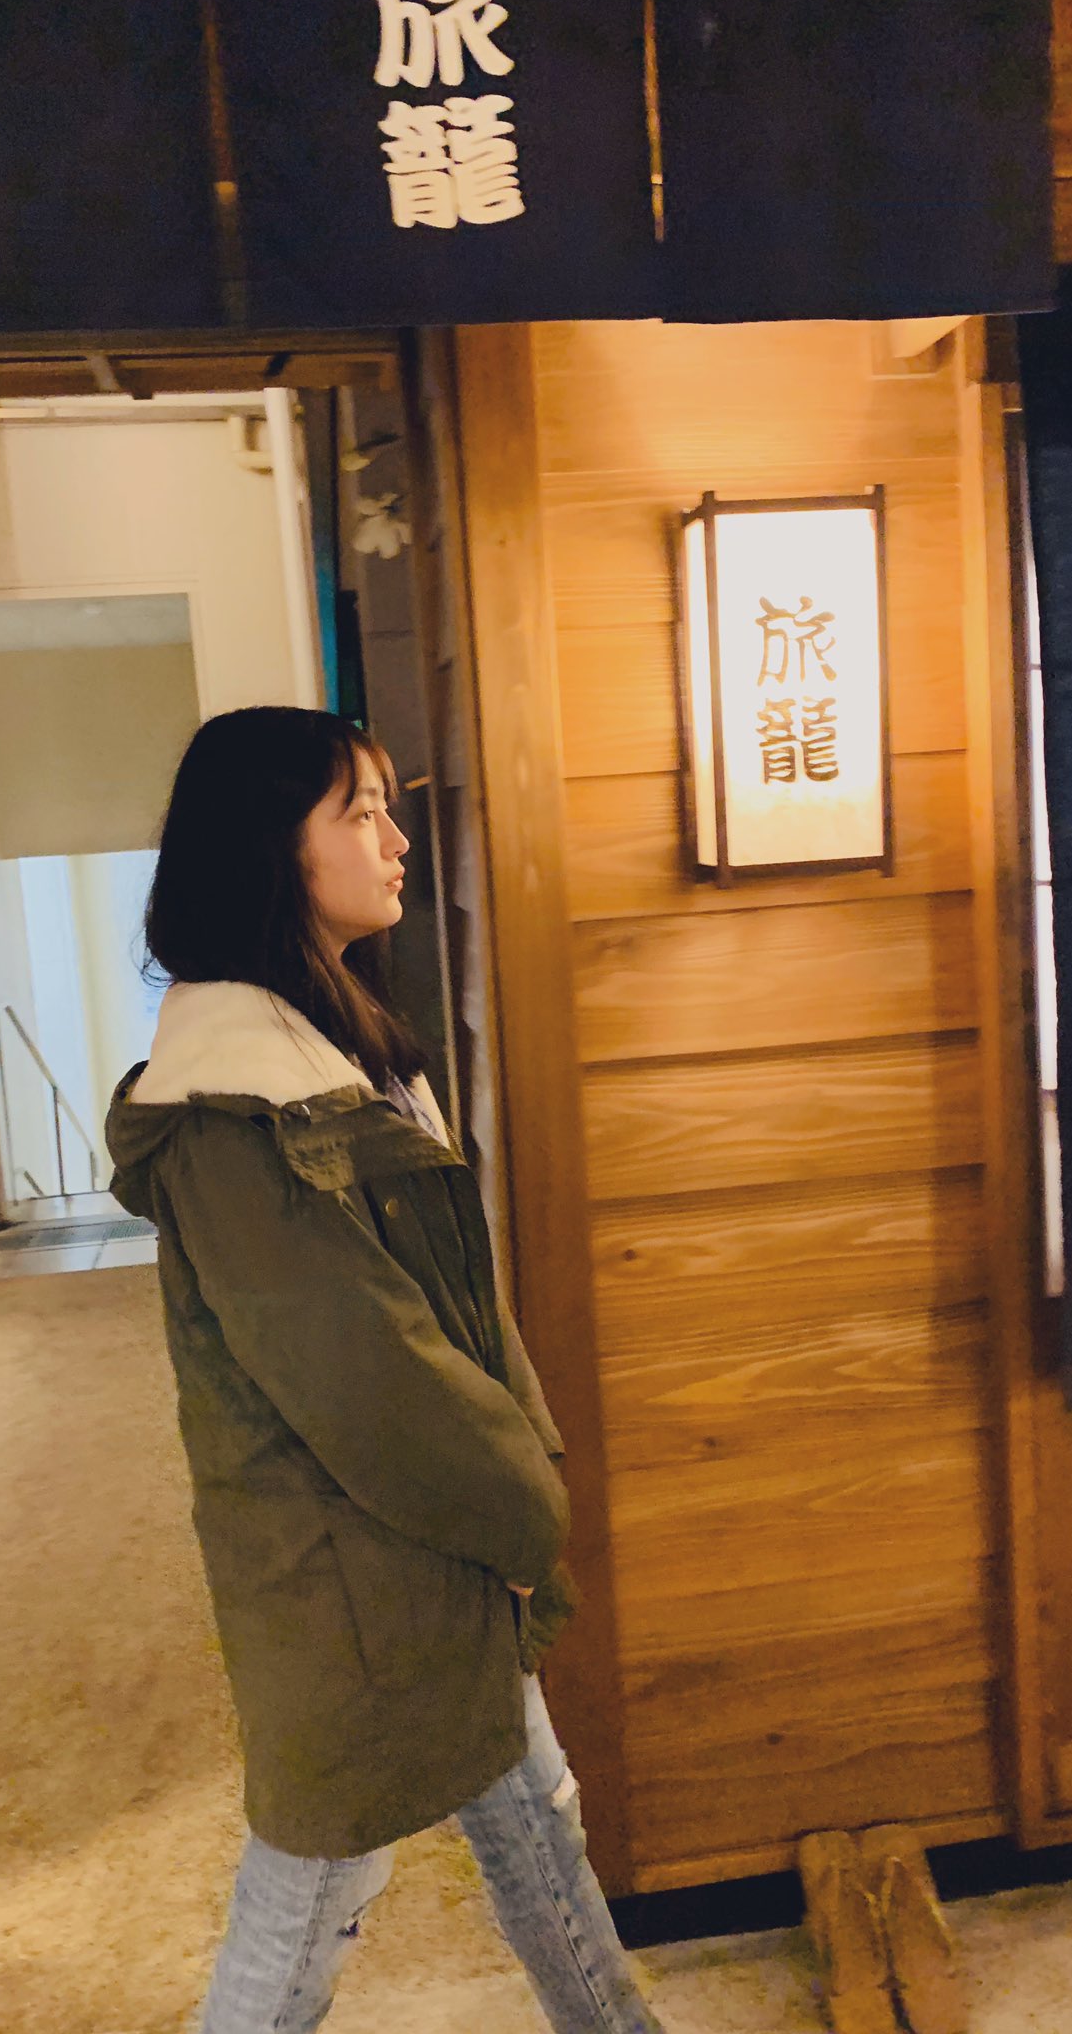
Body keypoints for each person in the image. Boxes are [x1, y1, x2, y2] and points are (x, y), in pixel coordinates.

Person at [105, 706, 666, 2034]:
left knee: (534, 1820)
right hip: (354, 1565)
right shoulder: (242, 1111)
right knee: (314, 1887)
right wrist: (518, 1512)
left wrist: (508, 1498)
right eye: (359, 812)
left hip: (427, 1539)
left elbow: (449, 1315)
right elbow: (371, 1377)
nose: (396, 839)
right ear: (272, 850)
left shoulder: (332, 1045)